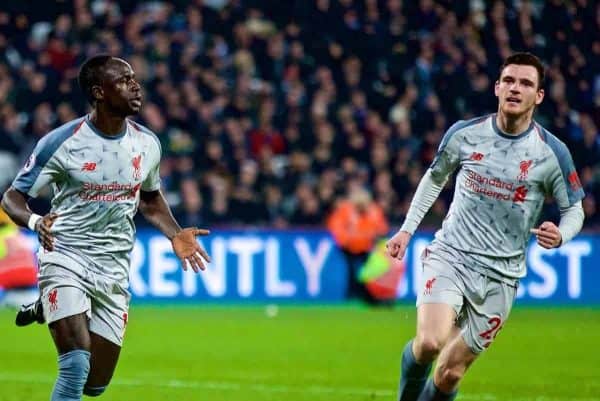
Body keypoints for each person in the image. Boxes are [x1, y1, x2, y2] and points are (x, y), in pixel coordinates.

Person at [0, 55, 211, 401]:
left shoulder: (147, 144)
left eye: (134, 79)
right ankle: (59, 298)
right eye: (124, 80)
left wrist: (175, 233)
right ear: (99, 92)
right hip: (65, 254)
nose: (135, 85)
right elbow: (12, 197)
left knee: (94, 386)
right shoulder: (61, 143)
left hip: (113, 267)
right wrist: (37, 222)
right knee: (75, 368)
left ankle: (47, 306)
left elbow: (151, 199)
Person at [386, 52, 585, 401]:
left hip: (501, 276)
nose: (515, 88)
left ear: (538, 96)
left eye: (525, 83)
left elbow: (575, 209)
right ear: (496, 87)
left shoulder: (552, 153)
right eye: (509, 80)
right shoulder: (465, 134)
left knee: (449, 374)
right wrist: (407, 229)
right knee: (430, 342)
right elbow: (434, 179)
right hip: (452, 255)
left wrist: (563, 233)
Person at [327, 186, 389, 301]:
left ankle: (365, 296)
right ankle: (352, 295)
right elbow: (336, 227)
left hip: (366, 248)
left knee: (365, 274)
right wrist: (345, 241)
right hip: (349, 248)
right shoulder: (345, 210)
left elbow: (382, 229)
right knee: (352, 272)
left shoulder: (374, 211)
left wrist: (375, 239)